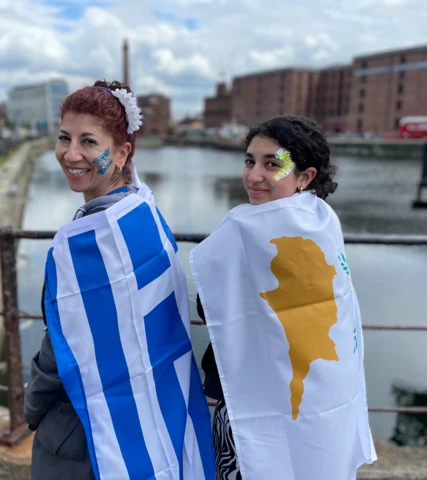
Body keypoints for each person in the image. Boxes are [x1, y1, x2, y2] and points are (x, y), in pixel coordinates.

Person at [24, 80, 214, 480]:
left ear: (123, 152)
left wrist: (32, 407)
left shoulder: (90, 244)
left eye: (89, 142)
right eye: (64, 137)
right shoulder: (143, 212)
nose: (71, 154)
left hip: (83, 431)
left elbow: (61, 345)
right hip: (159, 406)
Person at [191, 116, 376, 480]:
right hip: (316, 401)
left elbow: (208, 305)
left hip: (252, 404)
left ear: (304, 177)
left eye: (272, 164)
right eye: (250, 161)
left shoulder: (250, 230)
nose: (254, 175)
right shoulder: (322, 220)